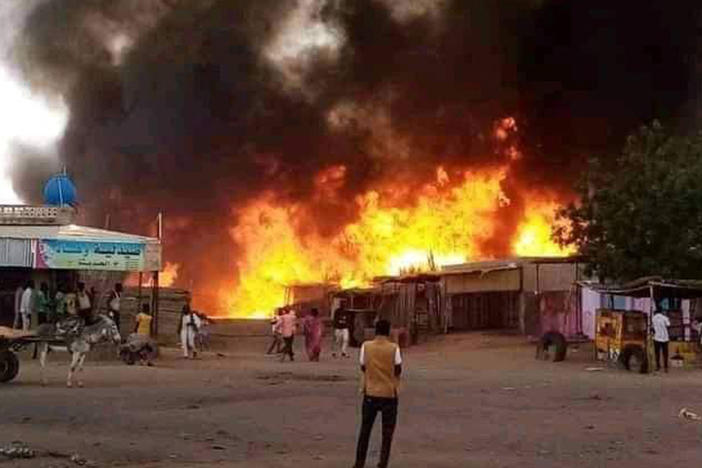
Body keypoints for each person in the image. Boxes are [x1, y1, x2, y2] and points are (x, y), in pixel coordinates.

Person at [354, 319, 402, 468]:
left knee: (365, 430)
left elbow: (363, 366)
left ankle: (359, 463)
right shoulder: (394, 348)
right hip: (389, 394)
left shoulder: (366, 346)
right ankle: (382, 463)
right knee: (387, 433)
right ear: (388, 332)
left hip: (370, 392)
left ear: (375, 331)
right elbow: (398, 369)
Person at [652, 307, 671, 373]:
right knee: (665, 353)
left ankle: (658, 366)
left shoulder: (653, 318)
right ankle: (665, 367)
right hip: (665, 338)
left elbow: (652, 327)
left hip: (657, 337)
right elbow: (668, 325)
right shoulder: (665, 318)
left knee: (657, 353)